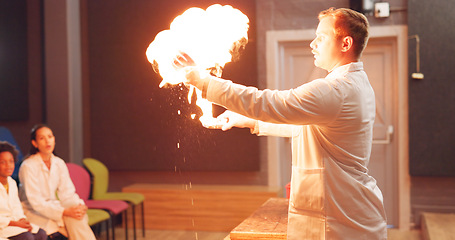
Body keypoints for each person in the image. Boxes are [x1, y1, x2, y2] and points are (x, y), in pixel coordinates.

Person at [174, 7, 387, 240]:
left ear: (345, 44)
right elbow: (306, 126)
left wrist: (203, 82)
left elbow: (270, 103)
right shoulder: (352, 84)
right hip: (345, 215)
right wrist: (243, 120)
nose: (313, 44)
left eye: (321, 37)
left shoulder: (337, 89)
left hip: (340, 224)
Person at [18, 124, 96, 240]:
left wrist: (79, 206)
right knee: (72, 224)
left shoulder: (59, 163)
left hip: (54, 207)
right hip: (33, 211)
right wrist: (64, 212)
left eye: (50, 137)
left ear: (54, 139)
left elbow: (68, 193)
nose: (47, 141)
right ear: (35, 143)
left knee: (76, 217)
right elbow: (36, 203)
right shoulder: (28, 166)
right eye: (42, 138)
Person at [0, 141, 47, 240]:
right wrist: (15, 223)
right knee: (27, 237)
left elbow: (17, 207)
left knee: (41, 233)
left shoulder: (12, 183)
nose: (8, 165)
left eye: (11, 161)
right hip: (3, 226)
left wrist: (22, 220)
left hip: (15, 224)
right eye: (3, 162)